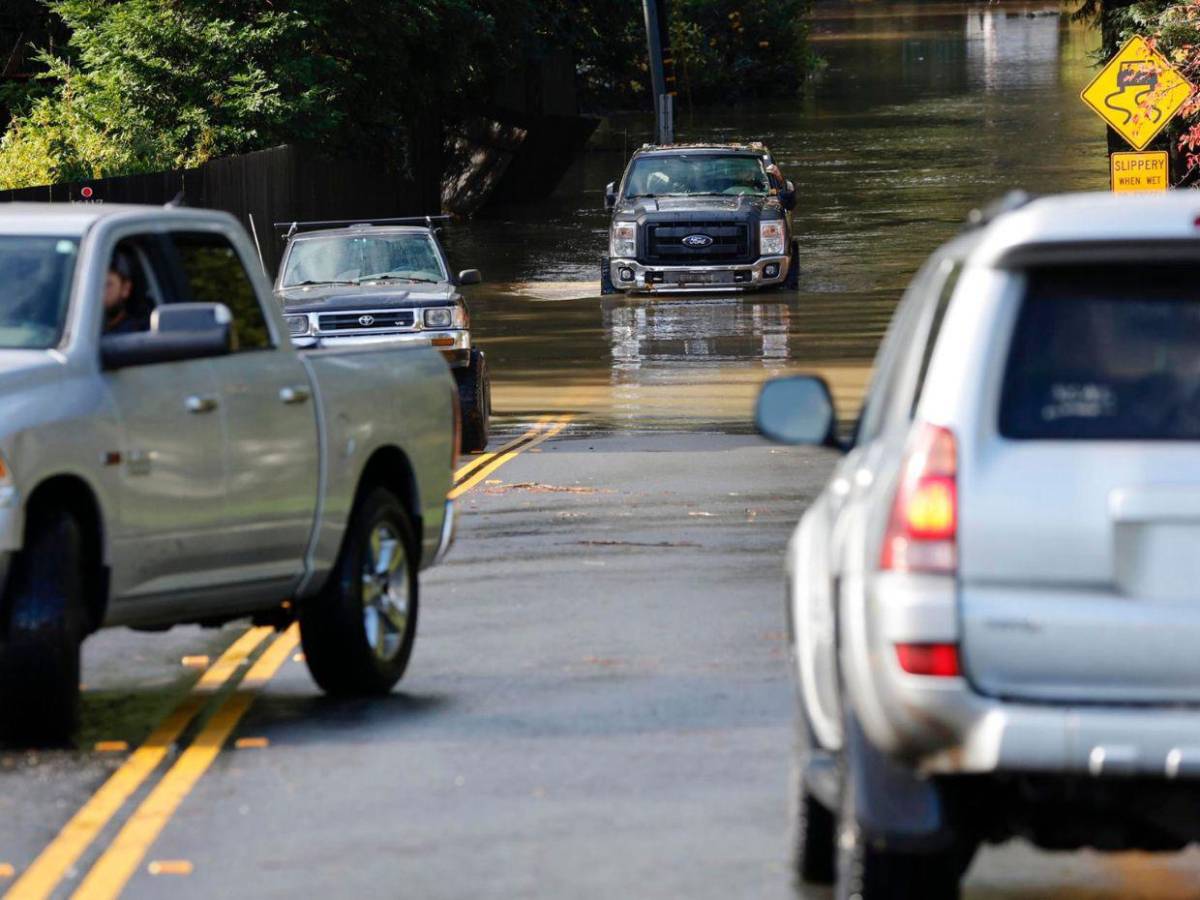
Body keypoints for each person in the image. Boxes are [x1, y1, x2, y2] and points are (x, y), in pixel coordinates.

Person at [103, 251, 149, 334]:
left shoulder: (137, 334)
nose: (98, 294)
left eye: (107, 285)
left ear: (125, 289)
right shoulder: (76, 330)